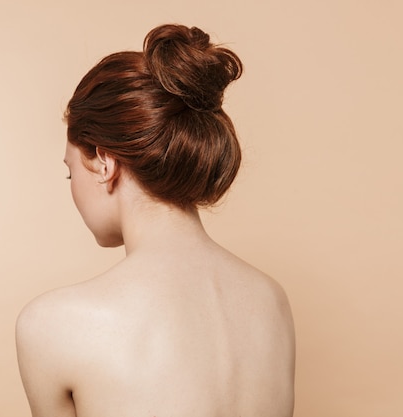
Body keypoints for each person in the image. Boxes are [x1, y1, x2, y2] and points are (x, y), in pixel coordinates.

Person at [16, 24, 295, 417]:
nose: (72, 188)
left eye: (70, 171)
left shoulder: (54, 323)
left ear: (104, 163)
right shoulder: (270, 300)